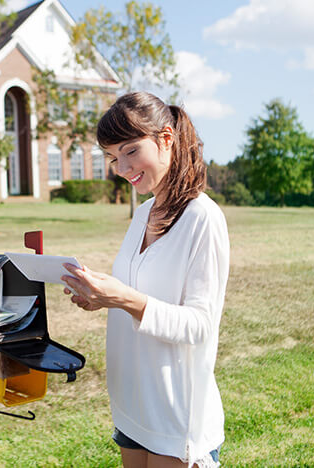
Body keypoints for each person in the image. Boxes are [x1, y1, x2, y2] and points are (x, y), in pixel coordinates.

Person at [61, 92, 229, 468]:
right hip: (131, 403)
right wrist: (98, 297)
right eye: (112, 157)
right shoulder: (142, 214)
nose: (121, 167)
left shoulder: (203, 218)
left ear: (165, 138)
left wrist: (123, 298)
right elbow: (136, 294)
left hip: (174, 410)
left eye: (130, 151)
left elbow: (200, 326)